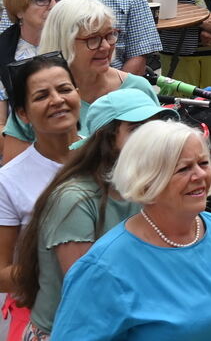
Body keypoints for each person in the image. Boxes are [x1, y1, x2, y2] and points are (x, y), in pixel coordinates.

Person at [50, 120, 211, 339]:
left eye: (203, 163)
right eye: (183, 168)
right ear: (147, 181)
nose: (200, 175)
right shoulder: (105, 268)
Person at [13, 88, 170, 339]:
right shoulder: (75, 200)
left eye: (153, 127)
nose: (150, 138)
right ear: (108, 139)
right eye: (136, 129)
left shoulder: (150, 187)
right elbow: (91, 293)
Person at [0, 53, 79, 338]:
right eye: (42, 95)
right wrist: (59, 267)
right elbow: (2, 274)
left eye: (65, 89)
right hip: (47, 320)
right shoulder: (9, 181)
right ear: (23, 114)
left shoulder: (109, 157)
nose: (57, 100)